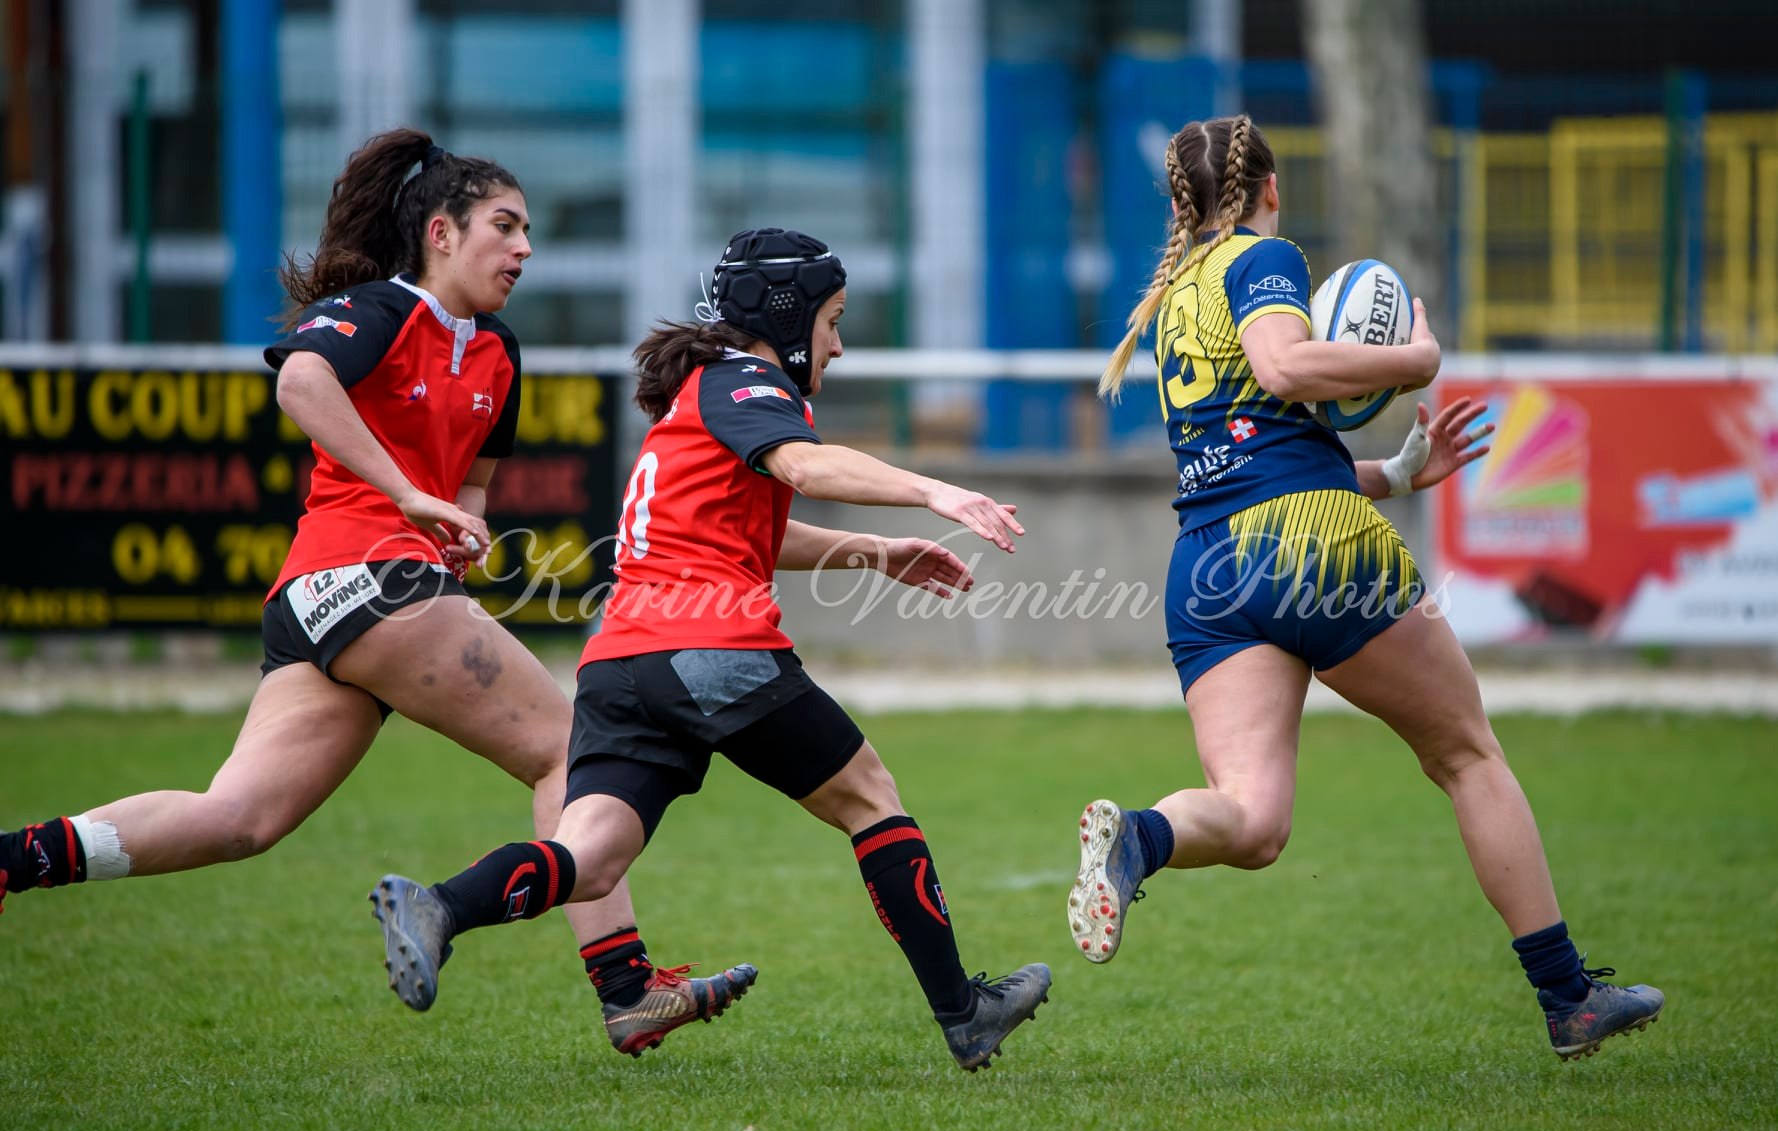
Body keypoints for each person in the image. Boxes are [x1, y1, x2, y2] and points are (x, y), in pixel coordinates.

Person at [0, 128, 754, 1057]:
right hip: (365, 576)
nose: (524, 248)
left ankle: (13, 860)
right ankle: (628, 989)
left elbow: (471, 481)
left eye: (529, 232)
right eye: (504, 226)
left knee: (240, 818)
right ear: (441, 232)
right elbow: (301, 384)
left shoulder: (499, 353)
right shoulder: (381, 309)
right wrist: (404, 495)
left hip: (346, 596)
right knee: (575, 752)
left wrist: (459, 520)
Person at [367, 227, 1052, 1071]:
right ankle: (966, 1011)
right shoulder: (747, 380)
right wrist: (933, 490)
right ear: (791, 318)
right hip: (710, 644)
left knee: (591, 855)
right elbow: (802, 464)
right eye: (833, 321)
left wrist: (877, 550)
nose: (837, 344)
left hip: (620, 659)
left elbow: (754, 529)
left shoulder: (700, 392)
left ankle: (438, 906)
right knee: (869, 795)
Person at [1073, 114, 1663, 1061]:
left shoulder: (1175, 294)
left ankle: (1139, 839)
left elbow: (1253, 448)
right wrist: (1415, 363)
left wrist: (1391, 471)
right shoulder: (1262, 260)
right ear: (1267, 189)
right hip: (1313, 546)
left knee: (1254, 818)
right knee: (1468, 754)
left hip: (1209, 569)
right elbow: (1285, 367)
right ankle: (1568, 997)